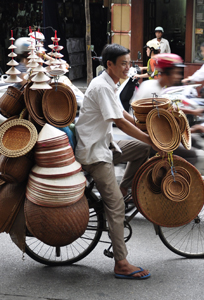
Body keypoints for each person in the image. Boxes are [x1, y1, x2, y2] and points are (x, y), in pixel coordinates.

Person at [75, 44, 161, 280]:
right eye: (123, 63)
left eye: (129, 62)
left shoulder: (110, 84)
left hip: (106, 145)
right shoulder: (102, 87)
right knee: (117, 207)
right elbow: (119, 123)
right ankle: (121, 264)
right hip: (94, 154)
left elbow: (123, 113)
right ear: (109, 64)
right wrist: (152, 140)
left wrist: (147, 132)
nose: (128, 67)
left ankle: (123, 187)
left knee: (143, 149)